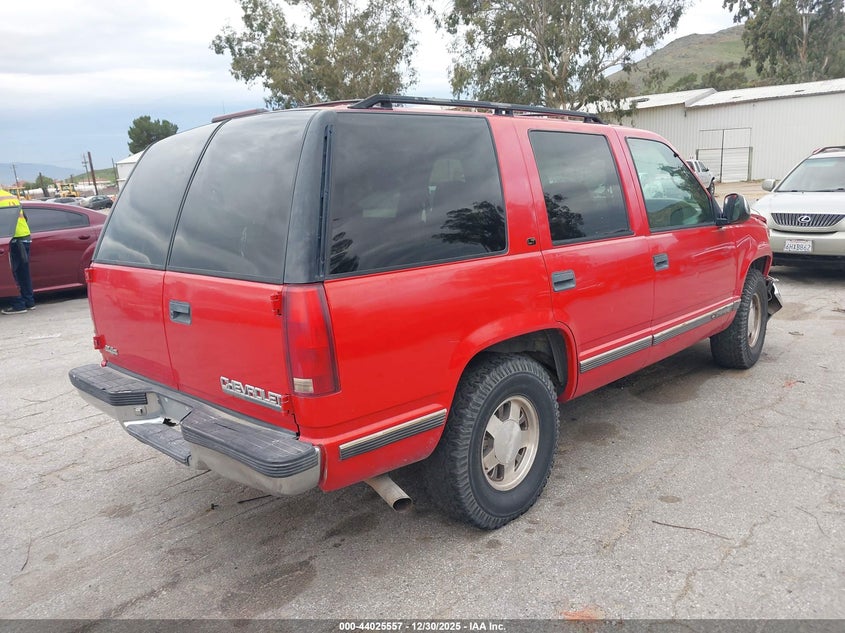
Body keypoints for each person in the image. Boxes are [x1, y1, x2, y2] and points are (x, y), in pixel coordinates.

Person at [1, 189, 35, 314]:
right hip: (24, 237)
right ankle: (29, 302)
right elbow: (24, 217)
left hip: (11, 239)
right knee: (23, 272)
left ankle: (18, 305)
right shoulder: (10, 196)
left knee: (10, 273)